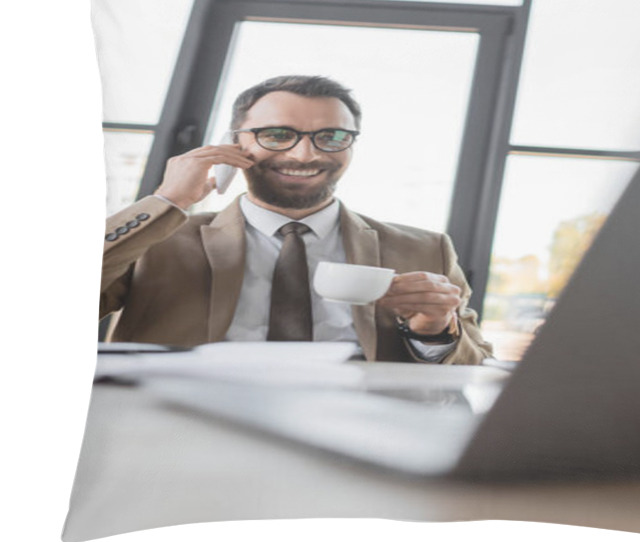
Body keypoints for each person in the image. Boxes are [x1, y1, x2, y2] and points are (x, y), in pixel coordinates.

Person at [101, 76, 492, 364]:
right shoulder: (157, 238)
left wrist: (436, 330)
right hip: (178, 430)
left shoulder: (424, 249)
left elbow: (477, 369)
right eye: (276, 134)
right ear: (233, 144)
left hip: (353, 439)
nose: (305, 155)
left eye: (332, 137)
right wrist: (168, 200)